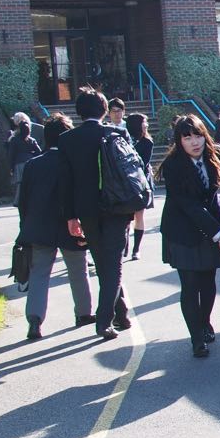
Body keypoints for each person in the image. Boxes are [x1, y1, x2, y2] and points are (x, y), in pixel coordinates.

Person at [157, 115, 220, 358]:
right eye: (187, 137)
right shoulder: (173, 165)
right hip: (182, 231)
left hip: (210, 227)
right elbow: (188, 205)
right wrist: (218, 232)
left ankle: (205, 322)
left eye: (198, 135)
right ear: (179, 141)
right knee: (190, 285)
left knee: (208, 280)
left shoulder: (217, 154)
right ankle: (196, 339)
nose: (194, 142)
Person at [56, 87, 134, 341]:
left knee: (103, 263)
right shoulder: (116, 133)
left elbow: (65, 182)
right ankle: (105, 320)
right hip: (117, 206)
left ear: (78, 111)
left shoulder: (67, 140)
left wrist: (70, 216)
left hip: (87, 210)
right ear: (104, 110)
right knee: (113, 265)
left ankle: (121, 315)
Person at [16, 114, 94, 339]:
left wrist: (25, 227)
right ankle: (84, 313)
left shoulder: (33, 164)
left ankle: (35, 320)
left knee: (39, 274)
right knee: (78, 271)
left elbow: (24, 201)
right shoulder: (73, 163)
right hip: (71, 225)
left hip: (40, 226)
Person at [126, 112, 153, 260]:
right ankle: (125, 246)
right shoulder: (124, 139)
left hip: (140, 182)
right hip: (125, 183)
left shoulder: (147, 142)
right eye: (144, 122)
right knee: (125, 218)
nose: (146, 125)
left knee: (139, 215)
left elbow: (143, 163)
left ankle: (136, 249)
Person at [7, 113, 42, 198]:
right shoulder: (32, 140)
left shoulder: (14, 139)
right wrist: (31, 154)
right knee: (31, 182)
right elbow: (39, 152)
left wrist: (11, 167)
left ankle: (18, 200)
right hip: (31, 162)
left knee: (20, 184)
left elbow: (11, 154)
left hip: (19, 163)